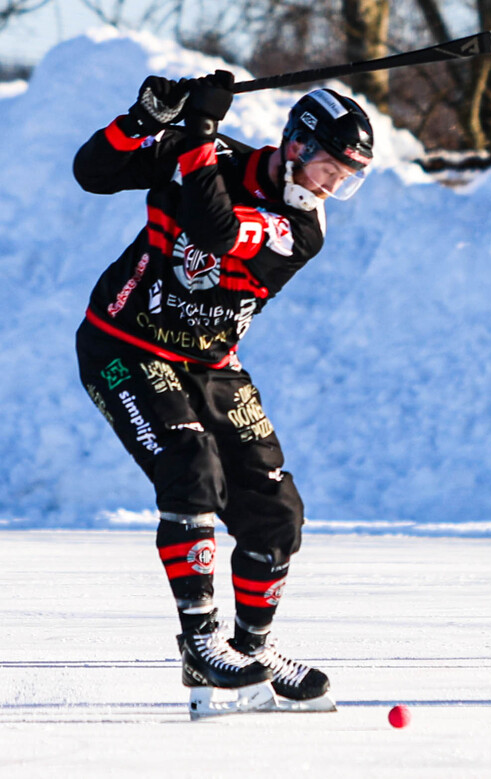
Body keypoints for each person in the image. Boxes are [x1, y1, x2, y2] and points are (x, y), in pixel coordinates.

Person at [73, 72, 374, 715]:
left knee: (276, 509)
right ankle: (200, 643)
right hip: (124, 347)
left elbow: (214, 228)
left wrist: (198, 130)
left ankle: (252, 647)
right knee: (190, 466)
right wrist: (145, 118)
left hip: (210, 363)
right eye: (328, 168)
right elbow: (93, 172)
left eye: (345, 179)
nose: (329, 187)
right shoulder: (215, 155)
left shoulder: (303, 226)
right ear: (296, 144)